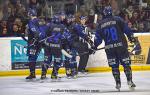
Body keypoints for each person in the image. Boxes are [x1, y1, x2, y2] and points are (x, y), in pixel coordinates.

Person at [93, 6, 136, 91]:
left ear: (104, 13)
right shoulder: (118, 19)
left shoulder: (100, 24)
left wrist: (94, 47)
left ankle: (118, 83)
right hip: (121, 46)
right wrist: (131, 37)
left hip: (110, 49)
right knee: (126, 65)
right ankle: (130, 81)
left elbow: (98, 39)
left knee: (114, 67)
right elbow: (126, 29)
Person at [26, 9, 47, 80]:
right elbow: (43, 32)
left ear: (30, 14)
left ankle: (32, 74)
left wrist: (35, 40)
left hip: (34, 43)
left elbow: (36, 32)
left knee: (31, 58)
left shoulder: (31, 22)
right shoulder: (40, 21)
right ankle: (43, 74)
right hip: (40, 43)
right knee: (35, 58)